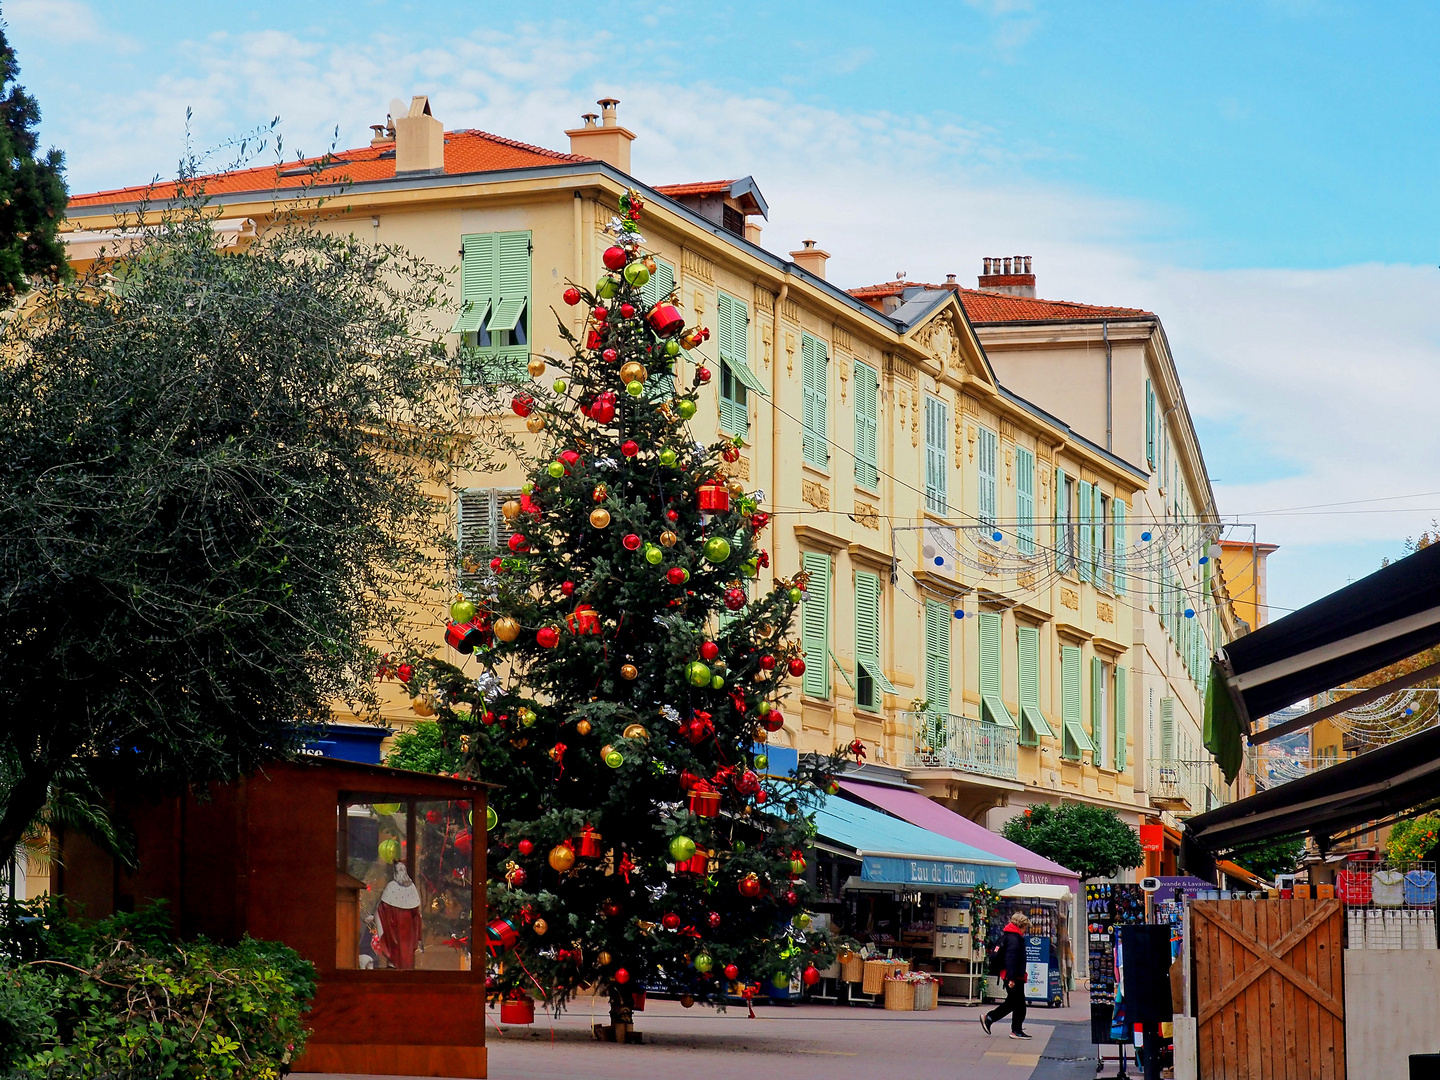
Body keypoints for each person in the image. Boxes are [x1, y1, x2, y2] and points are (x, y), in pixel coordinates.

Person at [981, 912, 1032, 1040]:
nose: (1025, 931)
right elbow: (1011, 959)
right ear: (1021, 926)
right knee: (1018, 1004)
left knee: (1013, 1002)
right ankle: (1013, 1029)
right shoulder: (1015, 939)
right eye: (1025, 927)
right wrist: (1012, 978)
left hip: (1010, 974)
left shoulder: (1007, 936)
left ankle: (992, 1019)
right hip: (1013, 976)